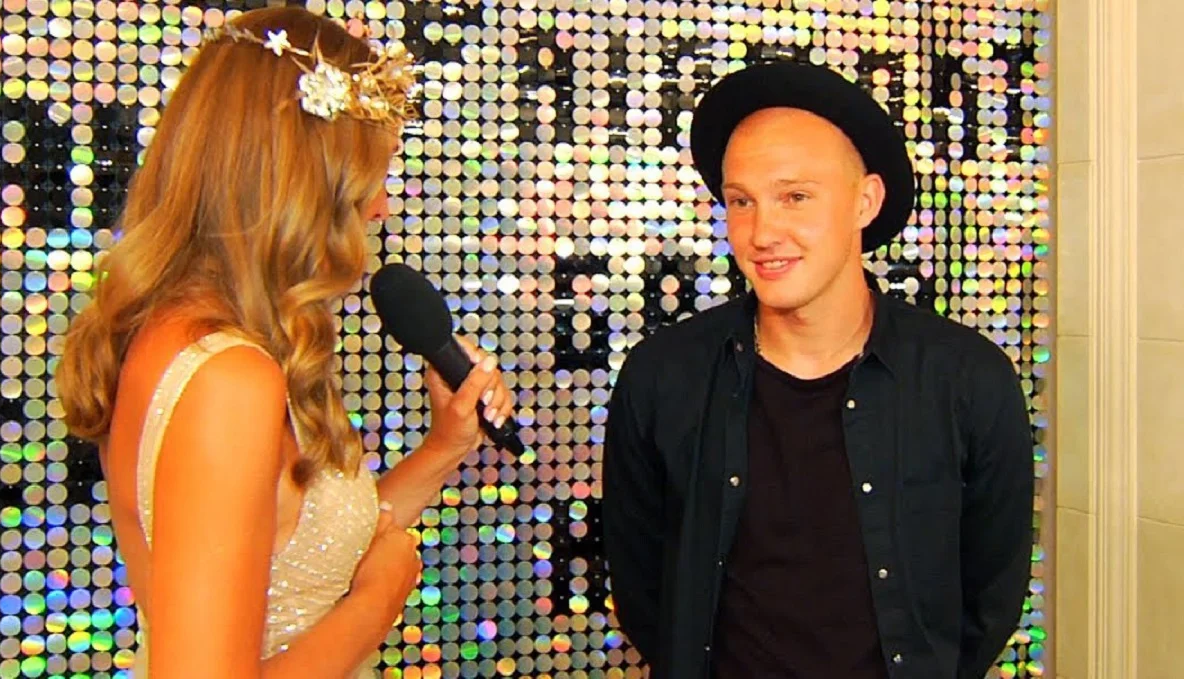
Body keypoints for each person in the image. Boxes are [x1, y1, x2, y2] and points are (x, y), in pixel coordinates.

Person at [55, 7, 515, 677]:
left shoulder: (195, 337)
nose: (380, 207)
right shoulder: (226, 379)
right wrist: (380, 598)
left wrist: (446, 445)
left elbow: (300, 561)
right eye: (370, 176)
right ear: (303, 178)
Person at [602, 62, 1034, 679]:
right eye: (741, 202)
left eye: (795, 197)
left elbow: (990, 597)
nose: (762, 232)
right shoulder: (663, 377)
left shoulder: (967, 379)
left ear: (866, 201)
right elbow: (643, 587)